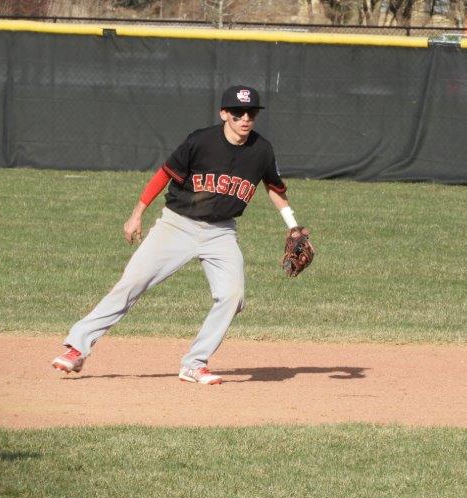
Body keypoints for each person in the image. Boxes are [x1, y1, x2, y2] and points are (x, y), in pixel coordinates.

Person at [52, 85, 308, 385]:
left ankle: (194, 363)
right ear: (224, 113)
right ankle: (77, 348)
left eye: (251, 112)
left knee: (232, 296)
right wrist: (137, 214)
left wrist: (292, 224)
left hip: (221, 233)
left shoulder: (261, 150)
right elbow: (164, 174)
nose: (245, 118)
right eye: (237, 112)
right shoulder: (200, 141)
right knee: (132, 283)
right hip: (176, 225)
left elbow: (275, 189)